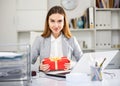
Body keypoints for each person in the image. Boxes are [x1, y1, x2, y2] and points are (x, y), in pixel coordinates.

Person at [31, 6, 83, 72]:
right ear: (48, 22)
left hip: (65, 78)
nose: (56, 25)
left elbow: (83, 62)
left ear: (64, 22)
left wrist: (72, 64)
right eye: (52, 21)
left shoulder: (72, 40)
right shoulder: (39, 40)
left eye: (59, 21)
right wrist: (39, 67)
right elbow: (27, 64)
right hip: (45, 78)